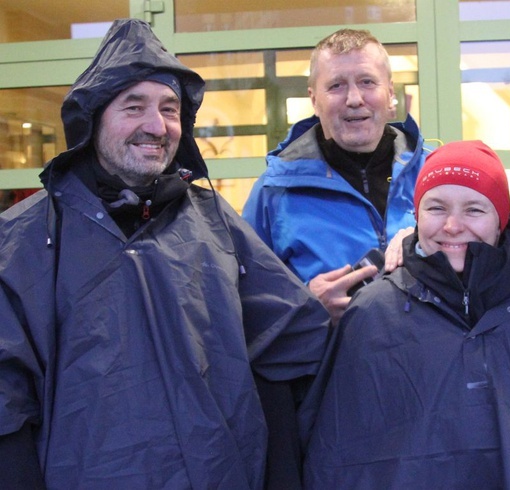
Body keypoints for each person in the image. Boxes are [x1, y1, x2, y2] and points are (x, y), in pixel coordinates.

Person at [0, 19, 330, 489]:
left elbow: (285, 346)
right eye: (134, 107)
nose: (156, 126)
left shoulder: (214, 221)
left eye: (169, 109)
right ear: (94, 119)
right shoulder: (26, 240)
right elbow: (6, 404)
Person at [298, 140, 510, 489]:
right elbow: (336, 455)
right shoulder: (371, 314)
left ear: (500, 221)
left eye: (474, 210)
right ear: (416, 216)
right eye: (436, 208)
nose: (452, 225)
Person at [241, 28, 428, 325]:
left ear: (390, 93)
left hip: (431, 367)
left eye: (367, 82)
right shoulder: (273, 192)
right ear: (314, 100)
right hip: (329, 370)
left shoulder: (434, 174)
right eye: (337, 86)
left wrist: (424, 240)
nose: (354, 99)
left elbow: (484, 269)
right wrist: (306, 307)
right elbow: (244, 305)